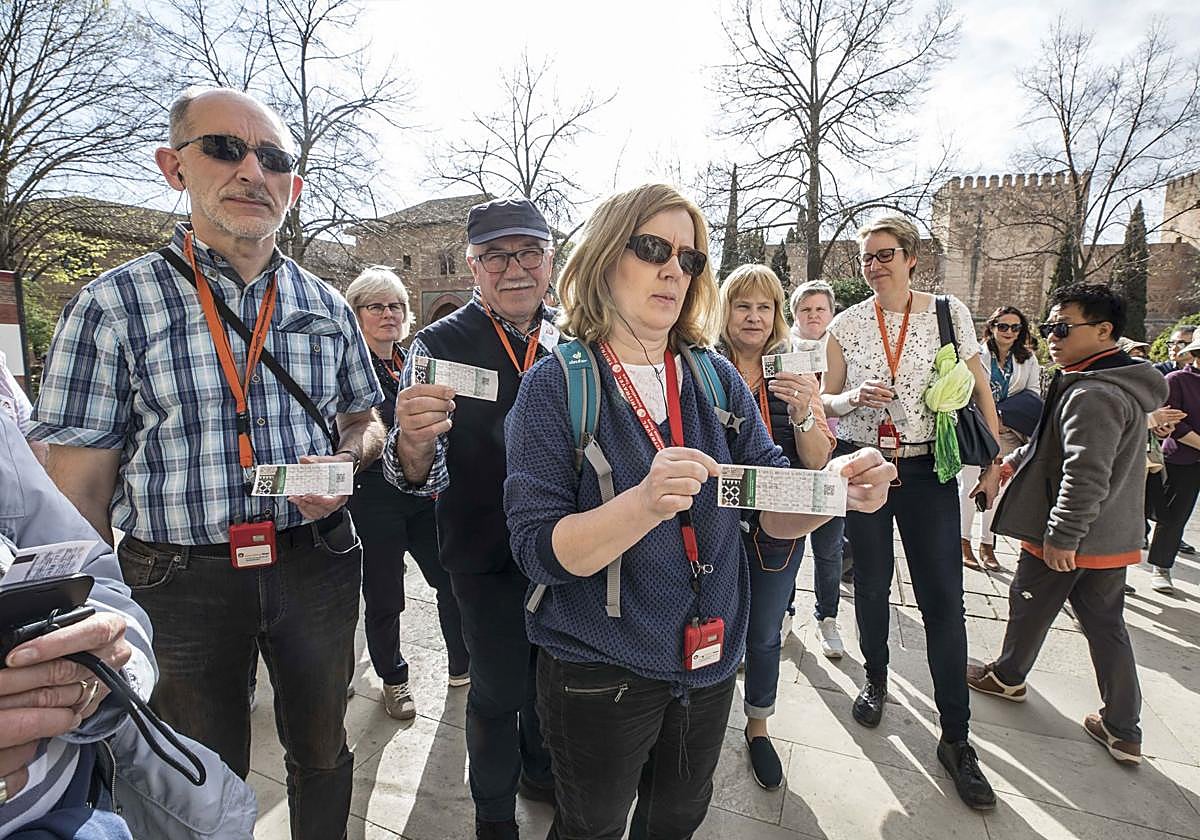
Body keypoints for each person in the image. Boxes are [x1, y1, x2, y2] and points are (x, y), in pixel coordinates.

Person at [28, 87, 385, 840]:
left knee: (324, 750)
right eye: (225, 149)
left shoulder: (326, 305)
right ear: (175, 167)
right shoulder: (112, 306)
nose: (253, 171)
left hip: (315, 561)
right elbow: (77, 493)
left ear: (292, 183)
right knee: (198, 774)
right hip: (178, 578)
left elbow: (365, 419)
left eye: (274, 158)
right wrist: (87, 615)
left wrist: (347, 462)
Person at [504, 183, 895, 839]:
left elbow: (767, 502)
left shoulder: (714, 376)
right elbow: (537, 552)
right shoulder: (557, 383)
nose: (673, 270)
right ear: (606, 255)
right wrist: (641, 504)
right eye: (653, 248)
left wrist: (831, 490)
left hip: (710, 662)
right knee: (590, 827)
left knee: (678, 820)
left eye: (689, 259)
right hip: (600, 671)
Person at [384, 197, 558, 839]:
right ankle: (493, 815)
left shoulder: (574, 339)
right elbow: (416, 474)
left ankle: (541, 772)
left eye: (528, 253)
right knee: (497, 690)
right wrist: (412, 442)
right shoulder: (438, 343)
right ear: (472, 265)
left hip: (565, 549)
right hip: (483, 549)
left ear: (549, 261)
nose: (515, 269)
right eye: (495, 256)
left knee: (551, 680)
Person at [0, 408, 256, 838]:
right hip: (172, 563)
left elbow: (87, 567)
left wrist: (108, 662)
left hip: (85, 799)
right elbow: (84, 484)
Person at [821, 213, 1001, 810]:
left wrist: (994, 460)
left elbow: (979, 386)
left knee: (943, 599)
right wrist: (851, 398)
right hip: (866, 463)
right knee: (871, 584)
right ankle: (875, 679)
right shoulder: (846, 323)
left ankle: (957, 738)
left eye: (885, 254)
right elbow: (826, 399)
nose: (873, 265)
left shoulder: (948, 313)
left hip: (929, 468)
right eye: (866, 256)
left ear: (911, 257)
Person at [969, 283, 1167, 767]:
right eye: (1048, 327)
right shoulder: (1104, 381)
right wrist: (1012, 462)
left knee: (1029, 602)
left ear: (1103, 331)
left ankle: (1008, 676)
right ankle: (1123, 727)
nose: (1051, 337)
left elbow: (1085, 474)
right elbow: (1052, 446)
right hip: (1108, 537)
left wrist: (1062, 535)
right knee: (1105, 624)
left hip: (1070, 537)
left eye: (1062, 327)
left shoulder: (1094, 392)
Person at [716, 264, 836, 789]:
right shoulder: (701, 364)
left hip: (776, 527)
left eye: (764, 307)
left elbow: (817, 460)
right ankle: (697, 715)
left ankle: (758, 725)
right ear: (725, 310)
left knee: (765, 632)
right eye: (743, 305)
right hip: (712, 522)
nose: (754, 317)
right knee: (707, 624)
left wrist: (806, 409)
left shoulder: (794, 369)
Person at [344, 266, 470, 719]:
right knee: (384, 594)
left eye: (396, 306)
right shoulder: (348, 365)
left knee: (449, 580)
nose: (389, 314)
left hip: (422, 495)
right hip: (373, 497)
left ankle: (462, 665)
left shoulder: (415, 362)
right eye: (376, 306)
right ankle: (394, 679)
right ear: (356, 313)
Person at [789, 279, 850, 654]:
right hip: (795, 458)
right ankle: (784, 613)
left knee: (829, 549)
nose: (813, 316)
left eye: (820, 309)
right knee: (788, 544)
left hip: (834, 459)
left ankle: (827, 618)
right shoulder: (781, 349)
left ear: (832, 312)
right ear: (794, 314)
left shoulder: (843, 348)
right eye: (805, 309)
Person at [957, 306, 1041, 571]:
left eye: (1015, 327)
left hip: (1009, 431)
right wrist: (989, 415)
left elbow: (1033, 393)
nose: (1009, 332)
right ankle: (963, 541)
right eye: (1003, 326)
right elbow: (964, 389)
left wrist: (1005, 415)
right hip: (978, 429)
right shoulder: (975, 354)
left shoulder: (1028, 359)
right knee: (969, 486)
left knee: (999, 488)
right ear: (992, 327)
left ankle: (987, 543)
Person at [1145, 334, 1200, 593]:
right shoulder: (1177, 379)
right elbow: (1173, 424)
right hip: (1183, 459)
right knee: (1173, 516)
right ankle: (1161, 566)